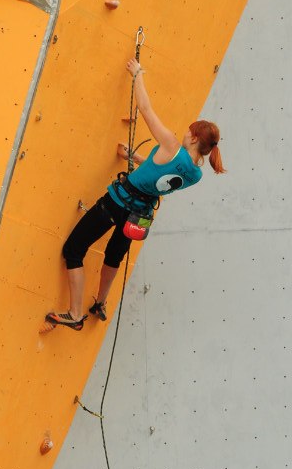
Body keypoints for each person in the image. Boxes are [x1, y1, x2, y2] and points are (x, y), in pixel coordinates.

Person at [45, 59, 224, 329]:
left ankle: (75, 313)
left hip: (116, 203)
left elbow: (145, 108)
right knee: (114, 257)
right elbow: (160, 176)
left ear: (195, 138)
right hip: (138, 217)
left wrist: (137, 74)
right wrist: (135, 157)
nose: (185, 133)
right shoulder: (195, 174)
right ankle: (100, 303)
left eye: (190, 131)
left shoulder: (173, 147)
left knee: (74, 249)